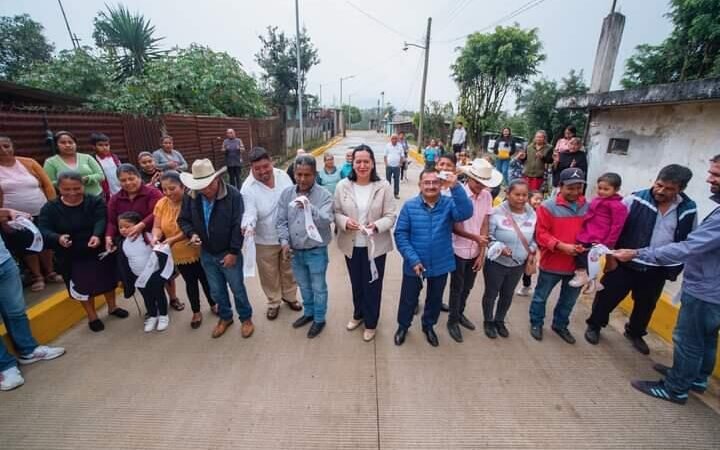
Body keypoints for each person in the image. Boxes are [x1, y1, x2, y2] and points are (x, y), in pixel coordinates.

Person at [613, 155, 720, 405]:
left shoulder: (690, 208)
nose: (709, 178)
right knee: (707, 337)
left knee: (689, 340)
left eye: (716, 175)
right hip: (709, 286)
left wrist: (638, 253)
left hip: (707, 290)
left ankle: (676, 388)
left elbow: (688, 247)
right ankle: (696, 378)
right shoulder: (638, 198)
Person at [585, 165, 697, 355]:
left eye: (669, 188)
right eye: (659, 185)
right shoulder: (634, 200)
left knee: (646, 304)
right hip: (624, 262)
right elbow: (615, 228)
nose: (661, 191)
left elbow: (688, 238)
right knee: (607, 296)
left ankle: (635, 332)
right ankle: (595, 325)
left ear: (681, 189)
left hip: (658, 267)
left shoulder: (688, 209)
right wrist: (611, 257)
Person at [38, 171, 128, 332]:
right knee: (82, 286)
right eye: (67, 189)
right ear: (59, 188)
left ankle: (112, 307)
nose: (72, 193)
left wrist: (96, 234)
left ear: (83, 186)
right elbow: (43, 229)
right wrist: (58, 238)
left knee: (108, 280)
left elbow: (102, 219)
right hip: (71, 254)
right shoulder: (50, 208)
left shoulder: (94, 201)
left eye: (76, 188)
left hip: (97, 247)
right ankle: (92, 316)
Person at [393, 169, 473, 347]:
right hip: (414, 263)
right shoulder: (409, 206)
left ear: (441, 185)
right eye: (426, 183)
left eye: (435, 182)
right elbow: (400, 234)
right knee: (408, 298)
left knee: (435, 299)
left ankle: (428, 326)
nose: (430, 186)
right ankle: (403, 326)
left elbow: (466, 212)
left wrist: (456, 187)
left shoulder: (449, 204)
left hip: (441, 262)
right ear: (420, 185)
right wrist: (413, 259)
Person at [178, 159, 254, 339]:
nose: (205, 190)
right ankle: (225, 317)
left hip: (228, 252)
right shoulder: (191, 196)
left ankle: (246, 318)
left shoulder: (233, 195)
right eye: (201, 186)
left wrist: (234, 252)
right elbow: (183, 220)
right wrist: (192, 234)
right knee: (216, 290)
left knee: (237, 288)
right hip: (207, 252)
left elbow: (238, 225)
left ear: (217, 178)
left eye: (208, 184)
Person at [334, 145, 396, 342]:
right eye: (358, 161)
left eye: (366, 161)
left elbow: (391, 215)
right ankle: (358, 314)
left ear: (372, 164)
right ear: (352, 163)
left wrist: (376, 226)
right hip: (351, 245)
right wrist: (344, 222)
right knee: (356, 283)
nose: (362, 165)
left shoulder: (383, 186)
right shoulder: (342, 185)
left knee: (372, 285)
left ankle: (371, 323)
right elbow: (336, 212)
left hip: (375, 247)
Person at [0, 208, 65, 391]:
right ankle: (5, 366)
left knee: (16, 310)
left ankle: (29, 350)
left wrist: (11, 215)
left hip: (3, 261)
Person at [104, 164, 180, 311]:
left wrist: (141, 226)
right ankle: (152, 306)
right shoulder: (115, 199)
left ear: (138, 177)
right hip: (131, 244)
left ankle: (173, 298)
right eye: (123, 180)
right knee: (139, 272)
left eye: (131, 178)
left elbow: (157, 213)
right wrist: (108, 236)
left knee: (164, 271)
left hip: (154, 238)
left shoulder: (153, 193)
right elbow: (112, 221)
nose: (128, 183)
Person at [529, 168, 589, 344]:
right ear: (560, 186)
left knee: (569, 300)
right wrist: (562, 246)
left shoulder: (587, 206)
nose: (575, 192)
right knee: (541, 296)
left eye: (579, 187)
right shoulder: (547, 206)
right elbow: (541, 234)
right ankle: (536, 323)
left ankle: (560, 325)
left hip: (578, 266)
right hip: (552, 263)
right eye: (570, 187)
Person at [241, 147, 301, 320]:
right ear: (251, 168)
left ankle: (290, 297)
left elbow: (293, 198)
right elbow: (249, 212)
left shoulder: (282, 176)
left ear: (271, 162)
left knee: (289, 269)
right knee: (269, 274)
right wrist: (248, 225)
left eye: (265, 166)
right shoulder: (247, 187)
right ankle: (274, 302)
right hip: (263, 239)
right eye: (257, 168)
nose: (262, 172)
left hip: (287, 235)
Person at [277, 155, 334, 338]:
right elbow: (281, 222)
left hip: (316, 251)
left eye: (307, 175)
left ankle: (319, 319)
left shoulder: (324, 195)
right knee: (303, 286)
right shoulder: (286, 194)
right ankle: (308, 313)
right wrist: (284, 242)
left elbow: (326, 222)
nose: (302, 179)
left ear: (314, 174)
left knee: (318, 287)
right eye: (299, 174)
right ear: (294, 173)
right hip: (295, 251)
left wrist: (310, 207)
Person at [152, 171, 217, 329]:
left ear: (182, 186)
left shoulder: (192, 201)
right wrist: (155, 238)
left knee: (206, 279)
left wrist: (173, 239)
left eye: (172, 188)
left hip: (197, 248)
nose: (168, 193)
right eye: (164, 189)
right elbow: (157, 226)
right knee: (190, 282)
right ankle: (196, 311)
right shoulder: (161, 204)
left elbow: (193, 226)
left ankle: (214, 304)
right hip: (178, 253)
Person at [446, 159, 500, 343]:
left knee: (468, 287)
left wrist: (481, 252)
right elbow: (453, 226)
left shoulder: (486, 196)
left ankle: (460, 313)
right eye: (478, 182)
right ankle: (452, 320)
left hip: (475, 250)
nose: (481, 186)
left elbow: (485, 223)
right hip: (457, 248)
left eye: (484, 183)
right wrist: (474, 238)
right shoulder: (456, 194)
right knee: (456, 287)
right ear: (469, 177)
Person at [0, 136, 61, 291]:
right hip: (15, 218)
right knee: (26, 245)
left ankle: (50, 272)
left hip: (42, 211)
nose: (3, 150)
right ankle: (37, 276)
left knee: (46, 242)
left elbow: (47, 185)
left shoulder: (29, 163)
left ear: (13, 146)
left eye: (6, 146)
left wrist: (52, 206)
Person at [483, 180, 537, 339]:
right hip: (497, 264)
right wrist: (498, 246)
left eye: (524, 195)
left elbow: (535, 238)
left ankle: (499, 320)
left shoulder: (532, 214)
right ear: (508, 194)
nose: (521, 198)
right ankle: (488, 320)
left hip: (518, 264)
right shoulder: (496, 212)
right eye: (517, 194)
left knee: (507, 294)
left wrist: (532, 249)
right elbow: (488, 237)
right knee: (491, 294)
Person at [569, 173, 628, 291]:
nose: (601, 191)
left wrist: (608, 243)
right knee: (585, 255)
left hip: (599, 236)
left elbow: (617, 226)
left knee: (586, 255)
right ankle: (593, 281)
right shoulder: (597, 199)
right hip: (588, 231)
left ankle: (582, 275)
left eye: (606, 189)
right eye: (600, 188)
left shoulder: (618, 206)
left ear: (616, 189)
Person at [117, 211, 171, 333]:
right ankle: (152, 315)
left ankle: (163, 315)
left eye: (127, 226)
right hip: (139, 276)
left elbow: (162, 252)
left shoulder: (148, 237)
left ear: (138, 225)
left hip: (154, 274)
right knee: (147, 297)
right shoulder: (123, 243)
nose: (124, 230)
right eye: (121, 227)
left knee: (159, 294)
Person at [43, 131, 105, 197]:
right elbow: (48, 183)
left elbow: (101, 175)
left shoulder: (87, 157)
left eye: (70, 142)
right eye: (63, 142)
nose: (67, 145)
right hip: (71, 199)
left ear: (75, 144)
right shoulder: (51, 162)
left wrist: (87, 178)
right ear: (56, 146)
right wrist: (69, 183)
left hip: (95, 196)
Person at [517, 190, 544, 297]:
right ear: (529, 199)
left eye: (541, 200)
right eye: (536, 199)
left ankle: (526, 286)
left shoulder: (542, 212)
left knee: (528, 266)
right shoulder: (523, 211)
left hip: (533, 245)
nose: (539, 201)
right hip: (522, 243)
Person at [91, 132, 122, 201]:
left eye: (106, 145)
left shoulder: (115, 157)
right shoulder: (92, 160)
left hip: (120, 190)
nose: (104, 147)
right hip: (107, 195)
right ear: (93, 146)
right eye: (100, 145)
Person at [384, 134, 404, 199]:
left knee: (396, 181)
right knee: (388, 181)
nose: (394, 140)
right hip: (389, 166)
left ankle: (396, 194)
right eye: (393, 138)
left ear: (397, 139)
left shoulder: (400, 146)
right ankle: (388, 194)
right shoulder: (387, 145)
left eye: (395, 138)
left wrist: (400, 164)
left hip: (397, 167)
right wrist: (386, 164)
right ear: (391, 139)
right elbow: (385, 156)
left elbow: (402, 156)